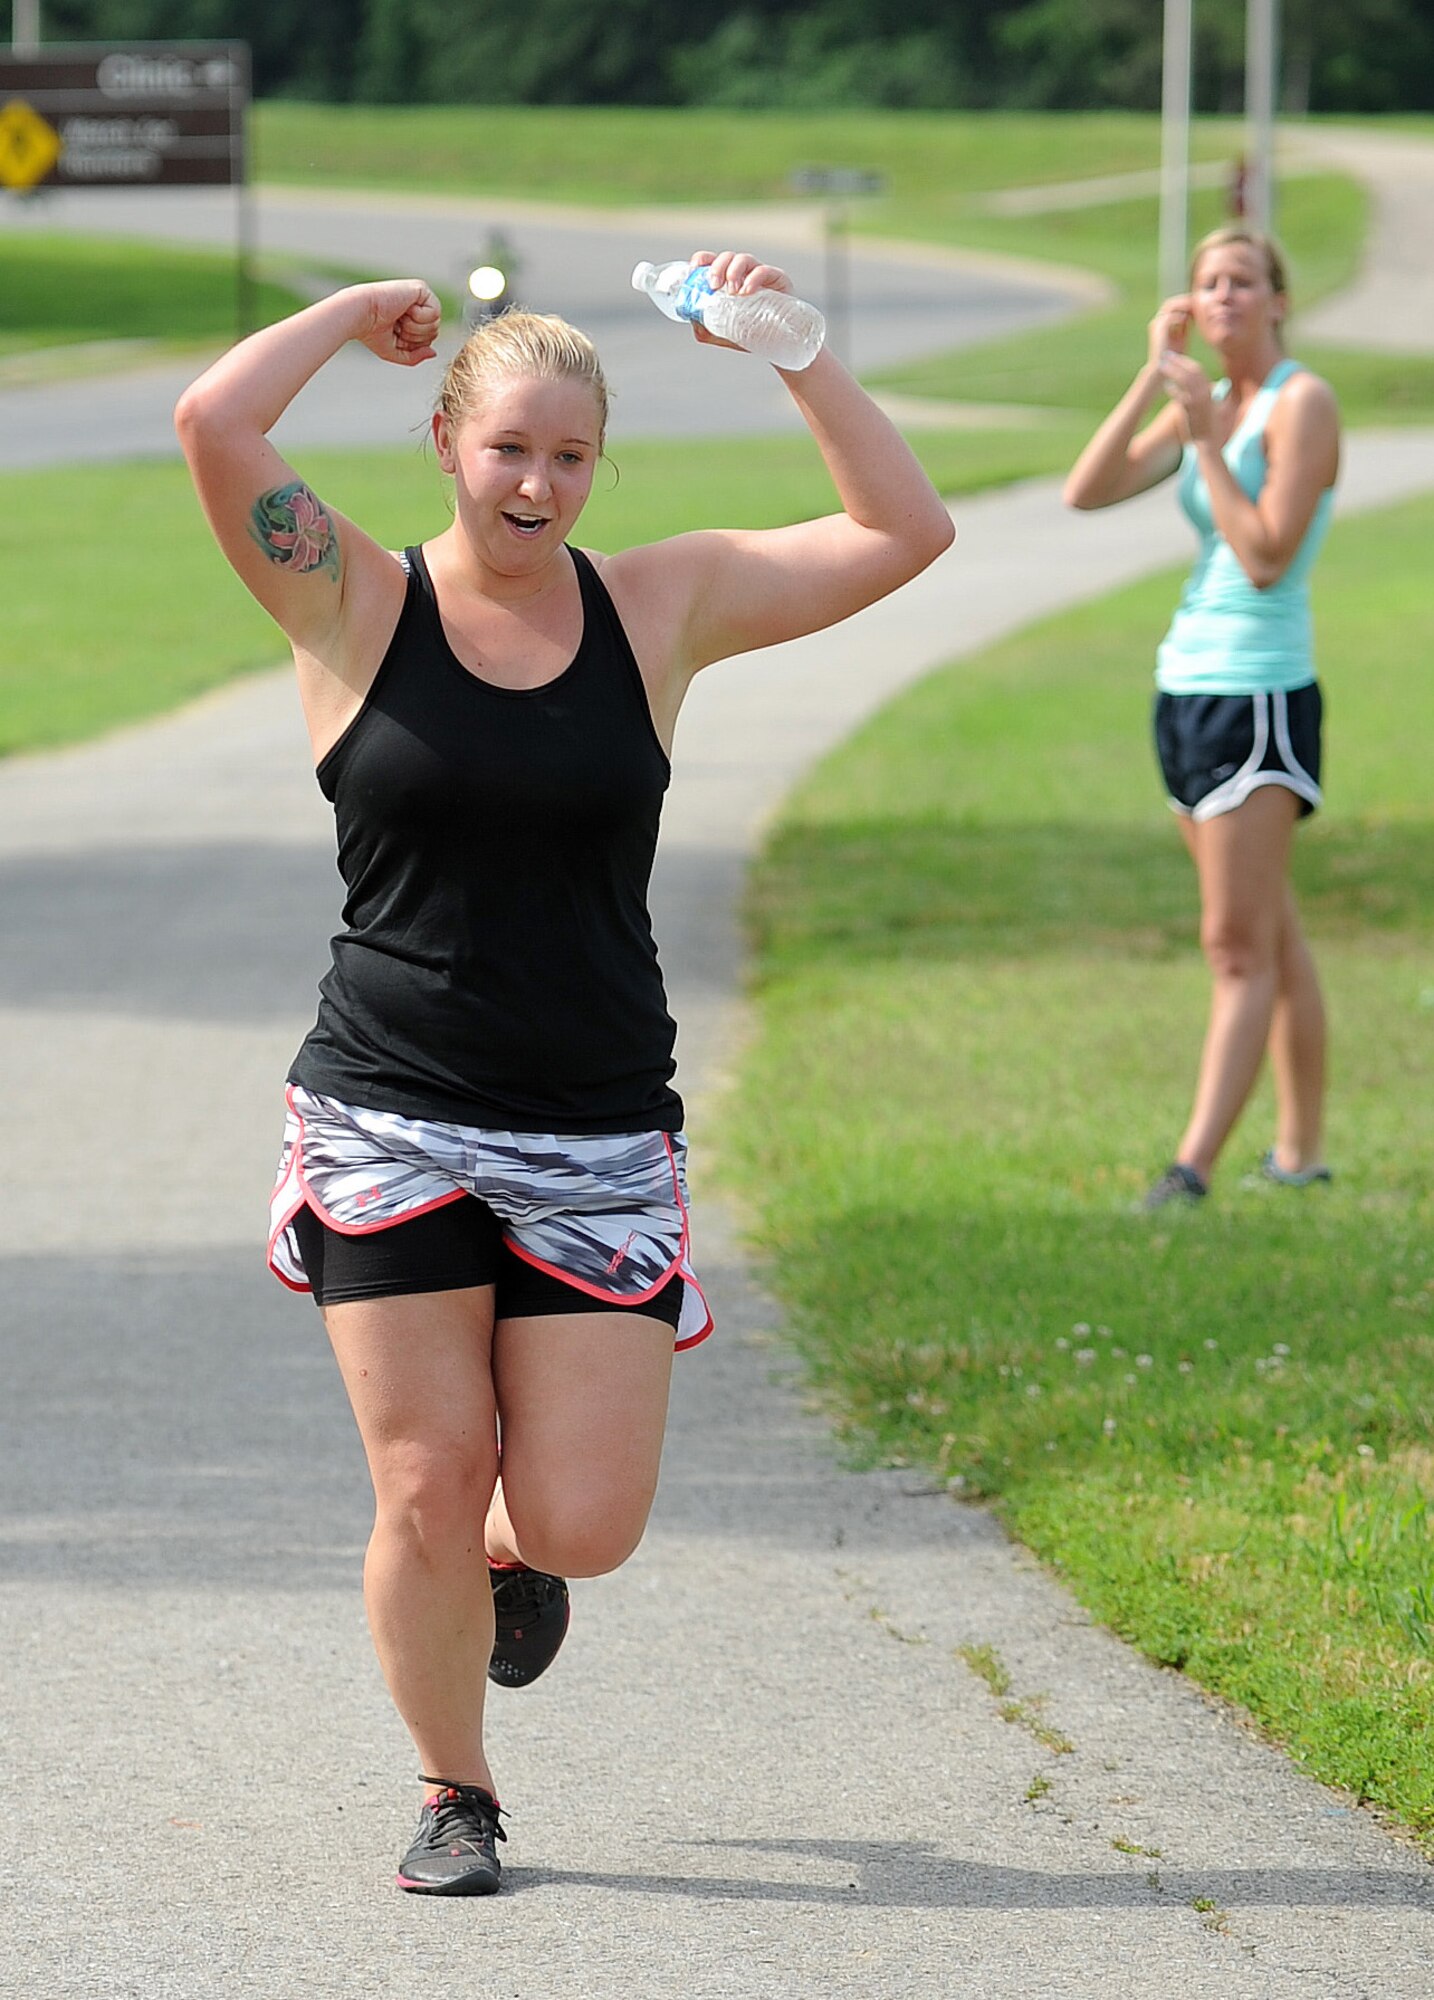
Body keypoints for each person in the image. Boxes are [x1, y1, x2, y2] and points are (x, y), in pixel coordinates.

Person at [174, 252, 954, 1894]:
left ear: (596, 469)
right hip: (385, 1115)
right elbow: (212, 421)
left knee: (581, 1519)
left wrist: (794, 353)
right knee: (421, 1476)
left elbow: (903, 533)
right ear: (447, 442)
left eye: (568, 456)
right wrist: (346, 315)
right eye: (507, 446)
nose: (535, 482)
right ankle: (456, 1790)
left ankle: (511, 1569)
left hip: (593, 1126)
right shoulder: (348, 600)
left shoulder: (654, 606)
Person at [1063, 224, 1340, 1210]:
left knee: (1234, 946)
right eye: (1207, 283)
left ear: (1277, 299)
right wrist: (1154, 380)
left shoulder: (1299, 404)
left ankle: (1192, 1168)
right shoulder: (1210, 402)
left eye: (1242, 281)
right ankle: (1300, 1154)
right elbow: (1086, 491)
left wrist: (1214, 446)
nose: (1223, 296)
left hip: (1259, 692)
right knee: (1272, 933)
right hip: (1185, 684)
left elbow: (1266, 555)